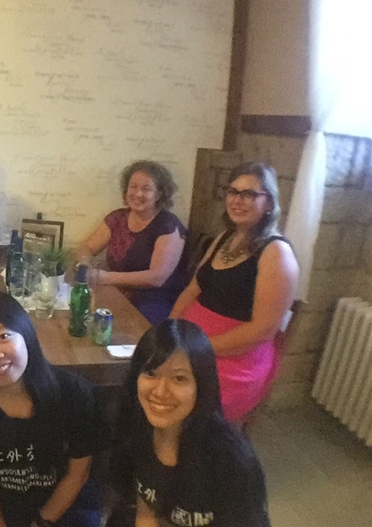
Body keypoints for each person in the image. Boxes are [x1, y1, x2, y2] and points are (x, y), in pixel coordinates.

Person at [0, 291, 104, 527]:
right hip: (9, 511)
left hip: (69, 508)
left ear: (26, 334)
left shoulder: (74, 394)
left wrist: (40, 524)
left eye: (4, 336)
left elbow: (77, 474)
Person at [108, 319, 271, 527]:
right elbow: (146, 512)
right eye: (151, 373)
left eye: (179, 378)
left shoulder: (232, 464)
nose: (160, 391)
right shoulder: (136, 429)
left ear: (201, 386)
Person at [169, 161, 299, 423]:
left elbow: (262, 331)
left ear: (269, 203)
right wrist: (169, 329)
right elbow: (193, 289)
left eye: (249, 194)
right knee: (144, 378)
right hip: (192, 340)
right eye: (233, 191)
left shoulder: (276, 253)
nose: (237, 200)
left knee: (176, 397)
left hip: (236, 359)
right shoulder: (224, 238)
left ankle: (190, 445)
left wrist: (197, 348)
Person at [74, 160, 187, 325]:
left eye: (146, 189)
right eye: (133, 187)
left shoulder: (168, 224)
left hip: (153, 303)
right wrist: (85, 266)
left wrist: (105, 277)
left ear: (159, 194)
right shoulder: (117, 218)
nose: (138, 194)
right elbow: (86, 247)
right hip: (116, 294)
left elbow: (157, 277)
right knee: (79, 313)